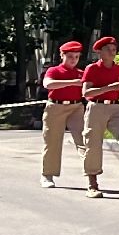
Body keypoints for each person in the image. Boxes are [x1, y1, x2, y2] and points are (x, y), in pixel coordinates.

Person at [80, 37, 119, 198]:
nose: (112, 52)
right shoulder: (92, 69)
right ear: (100, 52)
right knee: (93, 143)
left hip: (116, 107)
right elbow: (86, 93)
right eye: (108, 49)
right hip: (96, 107)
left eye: (114, 49)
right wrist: (107, 88)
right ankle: (92, 184)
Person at [39, 42, 87, 188]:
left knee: (84, 139)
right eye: (70, 56)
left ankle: (91, 173)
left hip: (76, 107)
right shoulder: (54, 70)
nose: (74, 60)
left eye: (77, 57)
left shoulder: (81, 73)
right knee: (52, 141)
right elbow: (48, 84)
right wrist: (72, 82)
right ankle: (47, 175)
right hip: (55, 107)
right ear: (62, 55)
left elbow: (90, 87)